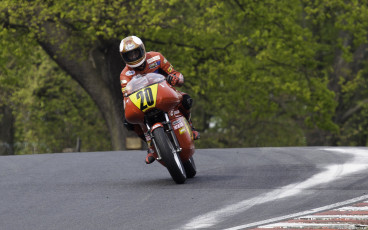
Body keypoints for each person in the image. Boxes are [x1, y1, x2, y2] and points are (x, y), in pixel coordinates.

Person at [119, 35, 200, 164]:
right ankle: (150, 146)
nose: (134, 57)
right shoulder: (124, 74)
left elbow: (175, 73)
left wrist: (175, 78)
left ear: (142, 50)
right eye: (130, 55)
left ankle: (191, 127)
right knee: (128, 122)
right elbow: (126, 95)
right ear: (124, 57)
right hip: (143, 102)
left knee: (186, 99)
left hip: (164, 93)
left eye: (136, 53)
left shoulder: (156, 57)